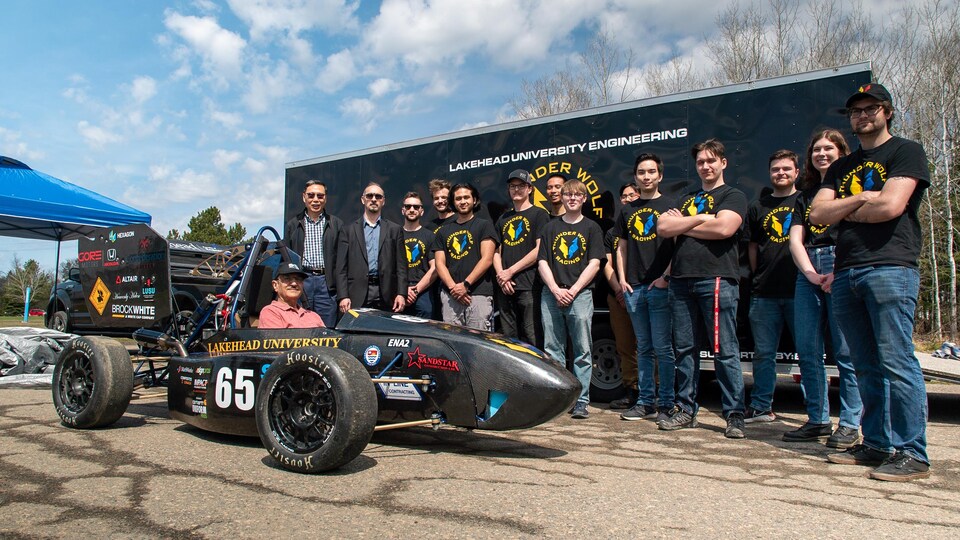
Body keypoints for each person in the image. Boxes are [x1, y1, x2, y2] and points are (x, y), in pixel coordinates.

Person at [810, 83, 931, 481]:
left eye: (870, 108)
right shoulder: (844, 167)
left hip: (890, 267)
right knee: (864, 366)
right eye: (856, 111)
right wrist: (862, 199)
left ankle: (912, 453)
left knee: (896, 361)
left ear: (887, 111)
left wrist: (843, 209)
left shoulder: (905, 151)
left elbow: (892, 206)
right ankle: (876, 444)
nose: (862, 115)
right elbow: (817, 215)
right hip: (846, 272)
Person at [658, 139, 748, 439]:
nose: (706, 166)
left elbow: (725, 228)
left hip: (717, 280)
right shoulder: (688, 199)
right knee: (684, 350)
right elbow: (663, 228)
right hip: (681, 281)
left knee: (725, 351)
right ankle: (685, 409)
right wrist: (699, 218)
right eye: (700, 162)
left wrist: (682, 224)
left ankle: (734, 414)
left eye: (711, 160)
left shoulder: (733, 196)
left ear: (723, 163)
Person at [782, 129, 863, 449]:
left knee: (846, 351)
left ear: (842, 152)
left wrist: (836, 271)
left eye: (829, 148)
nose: (822, 154)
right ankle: (817, 420)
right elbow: (795, 240)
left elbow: (858, 234)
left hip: (844, 264)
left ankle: (850, 423)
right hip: (809, 271)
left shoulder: (852, 188)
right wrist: (812, 274)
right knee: (808, 351)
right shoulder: (805, 196)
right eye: (817, 149)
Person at [615, 154, 677, 422]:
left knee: (663, 347)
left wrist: (666, 276)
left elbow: (678, 245)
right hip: (634, 287)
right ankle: (645, 401)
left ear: (660, 176)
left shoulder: (671, 206)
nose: (646, 176)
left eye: (651, 171)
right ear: (636, 176)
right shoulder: (628, 209)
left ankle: (666, 403)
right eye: (641, 172)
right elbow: (622, 247)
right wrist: (622, 278)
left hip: (660, 285)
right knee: (644, 347)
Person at [538, 179, 604, 419]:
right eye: (568, 195)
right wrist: (556, 289)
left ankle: (581, 401)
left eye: (577, 195)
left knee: (582, 350)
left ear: (584, 199)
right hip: (551, 294)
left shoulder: (591, 228)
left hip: (580, 295)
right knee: (553, 350)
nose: (572, 198)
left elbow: (595, 263)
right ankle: (559, 400)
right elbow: (542, 261)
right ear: (562, 198)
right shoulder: (550, 227)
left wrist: (573, 290)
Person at [744, 150, 800, 423]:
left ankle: (818, 414)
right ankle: (761, 406)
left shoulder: (804, 202)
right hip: (764, 292)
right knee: (764, 354)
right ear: (770, 173)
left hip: (800, 290)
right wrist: (759, 275)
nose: (781, 173)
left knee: (809, 357)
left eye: (786, 169)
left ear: (796, 172)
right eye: (776, 169)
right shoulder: (759, 207)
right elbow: (753, 246)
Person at [494, 169, 549, 345]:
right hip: (505, 287)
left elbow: (539, 250)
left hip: (529, 286)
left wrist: (510, 271)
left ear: (530, 189)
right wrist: (502, 276)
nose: (516, 190)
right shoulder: (503, 218)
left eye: (521, 186)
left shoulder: (540, 214)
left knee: (532, 337)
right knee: (509, 340)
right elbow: (495, 251)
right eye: (512, 186)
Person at [433, 183, 497, 330]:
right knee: (453, 342)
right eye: (458, 198)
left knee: (480, 342)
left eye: (466, 197)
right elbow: (439, 264)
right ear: (453, 202)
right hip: (451, 296)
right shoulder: (443, 231)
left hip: (478, 294)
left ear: (474, 200)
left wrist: (466, 285)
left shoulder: (484, 225)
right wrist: (454, 289)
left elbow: (487, 259)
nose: (463, 201)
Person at [337, 182, 407, 313]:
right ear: (363, 199)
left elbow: (401, 266)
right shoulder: (348, 231)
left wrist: (401, 294)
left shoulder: (395, 230)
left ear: (383, 201)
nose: (374, 199)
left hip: (387, 294)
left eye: (378, 196)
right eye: (370, 196)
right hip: (357, 293)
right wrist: (343, 296)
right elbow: (341, 268)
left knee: (385, 332)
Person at [284, 179, 343, 327]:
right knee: (299, 326)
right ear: (304, 197)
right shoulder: (293, 224)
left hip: (326, 284)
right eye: (311, 195)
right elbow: (286, 259)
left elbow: (343, 262)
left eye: (320, 196)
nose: (315, 200)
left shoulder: (336, 224)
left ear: (325, 198)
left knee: (326, 329)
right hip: (302, 281)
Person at [605, 182, 640, 411]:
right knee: (625, 346)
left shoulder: (648, 225)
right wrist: (618, 289)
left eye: (632, 195)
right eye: (624, 196)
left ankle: (654, 391)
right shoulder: (611, 232)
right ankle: (631, 391)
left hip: (643, 291)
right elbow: (607, 264)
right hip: (618, 296)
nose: (628, 199)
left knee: (650, 346)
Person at [400, 191, 438, 319]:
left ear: (421, 211)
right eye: (408, 206)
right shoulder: (394, 235)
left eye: (416, 207)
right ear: (402, 210)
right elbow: (388, 267)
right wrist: (403, 289)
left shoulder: (430, 236)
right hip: (399, 289)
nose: (412, 210)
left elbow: (435, 268)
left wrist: (415, 290)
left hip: (423, 289)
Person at [258, 262, 326, 329]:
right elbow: (275, 339)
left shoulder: (313, 316)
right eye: (287, 278)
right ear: (275, 285)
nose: (294, 284)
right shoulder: (270, 312)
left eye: (298, 279)